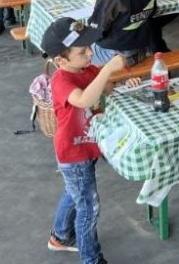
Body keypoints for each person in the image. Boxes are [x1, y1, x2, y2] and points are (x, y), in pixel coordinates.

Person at [41, 18, 132, 262]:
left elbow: (105, 88)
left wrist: (121, 80)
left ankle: (60, 236)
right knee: (88, 208)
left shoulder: (86, 70)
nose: (90, 53)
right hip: (74, 153)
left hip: (86, 146)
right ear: (61, 61)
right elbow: (83, 100)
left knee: (75, 192)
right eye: (82, 52)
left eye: (89, 47)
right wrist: (108, 70)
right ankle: (91, 259)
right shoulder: (61, 80)